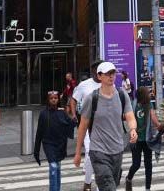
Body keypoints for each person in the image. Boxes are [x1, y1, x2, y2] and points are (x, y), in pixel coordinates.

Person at [73, 62, 137, 191]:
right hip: (98, 150)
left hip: (117, 149)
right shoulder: (92, 98)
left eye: (113, 73)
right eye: (108, 74)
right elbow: (83, 126)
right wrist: (78, 153)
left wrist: (133, 129)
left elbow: (130, 116)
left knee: (111, 184)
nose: (111, 76)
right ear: (100, 76)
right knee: (108, 187)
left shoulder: (121, 94)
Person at [70, 61, 104, 191]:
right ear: (93, 71)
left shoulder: (107, 84)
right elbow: (73, 100)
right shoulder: (84, 85)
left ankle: (99, 184)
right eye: (96, 70)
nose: (98, 73)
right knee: (90, 153)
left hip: (104, 126)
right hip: (87, 125)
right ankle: (88, 182)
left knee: (103, 156)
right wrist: (73, 114)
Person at [34, 91, 74, 191]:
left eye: (55, 98)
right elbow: (39, 132)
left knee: (58, 168)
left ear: (58, 99)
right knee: (53, 167)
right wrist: (36, 151)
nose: (53, 100)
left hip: (60, 144)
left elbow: (70, 125)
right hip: (48, 144)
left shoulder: (62, 112)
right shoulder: (43, 114)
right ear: (48, 100)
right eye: (51, 98)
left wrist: (73, 119)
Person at [125, 86, 160, 191]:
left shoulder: (149, 105)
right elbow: (128, 117)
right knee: (136, 164)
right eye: (148, 93)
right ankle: (129, 178)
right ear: (143, 95)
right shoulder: (133, 105)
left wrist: (160, 127)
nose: (149, 94)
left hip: (147, 139)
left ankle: (147, 188)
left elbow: (153, 118)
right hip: (136, 140)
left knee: (148, 164)